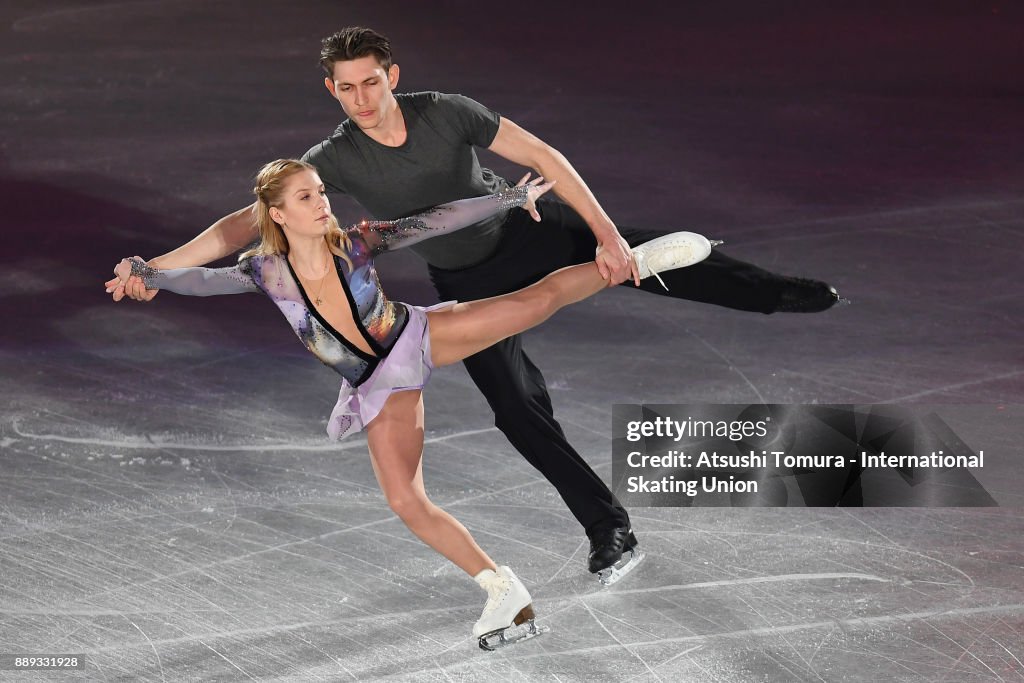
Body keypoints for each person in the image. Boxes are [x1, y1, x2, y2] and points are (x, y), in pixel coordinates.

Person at [109, 27, 843, 585]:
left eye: (372, 82)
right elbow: (245, 225)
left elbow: (545, 159)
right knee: (519, 409)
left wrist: (607, 233)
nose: (362, 97)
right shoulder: (331, 158)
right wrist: (156, 267)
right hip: (470, 279)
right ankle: (608, 527)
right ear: (332, 91)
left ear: (392, 77)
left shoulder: (446, 112)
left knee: (648, 257)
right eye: (347, 88)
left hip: (533, 227)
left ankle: (776, 293)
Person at [107, 159, 715, 648]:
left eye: (321, 192)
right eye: (306, 197)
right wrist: (149, 272)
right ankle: (503, 590)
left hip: (418, 336)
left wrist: (502, 200)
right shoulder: (265, 270)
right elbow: (203, 279)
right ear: (276, 214)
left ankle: (632, 263)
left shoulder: (359, 243)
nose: (322, 203)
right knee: (405, 499)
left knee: (531, 303)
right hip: (377, 383)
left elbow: (433, 221)